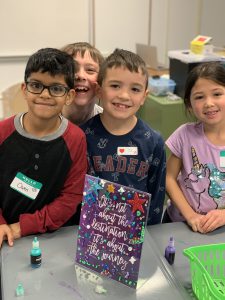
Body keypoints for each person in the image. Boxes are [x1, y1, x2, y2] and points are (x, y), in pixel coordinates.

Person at [0, 48, 87, 247]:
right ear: (24, 89)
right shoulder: (2, 132)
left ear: (69, 96)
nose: (45, 95)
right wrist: (3, 225)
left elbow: (71, 197)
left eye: (56, 88)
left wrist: (21, 227)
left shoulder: (76, 139)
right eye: (36, 85)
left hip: (50, 237)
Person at [81, 48, 166, 225]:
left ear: (144, 97)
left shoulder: (153, 141)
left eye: (135, 89)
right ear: (98, 90)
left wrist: (152, 232)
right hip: (91, 234)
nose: (124, 95)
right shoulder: (81, 137)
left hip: (134, 234)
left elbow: (157, 194)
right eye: (115, 86)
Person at [164, 61, 225, 233]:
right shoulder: (184, 135)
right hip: (179, 223)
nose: (209, 103)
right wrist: (191, 216)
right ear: (189, 105)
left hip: (220, 228)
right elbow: (169, 178)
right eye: (199, 97)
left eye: (217, 94)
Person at [61, 42, 104, 125]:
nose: (80, 76)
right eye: (72, 68)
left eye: (90, 70)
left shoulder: (108, 124)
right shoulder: (45, 120)